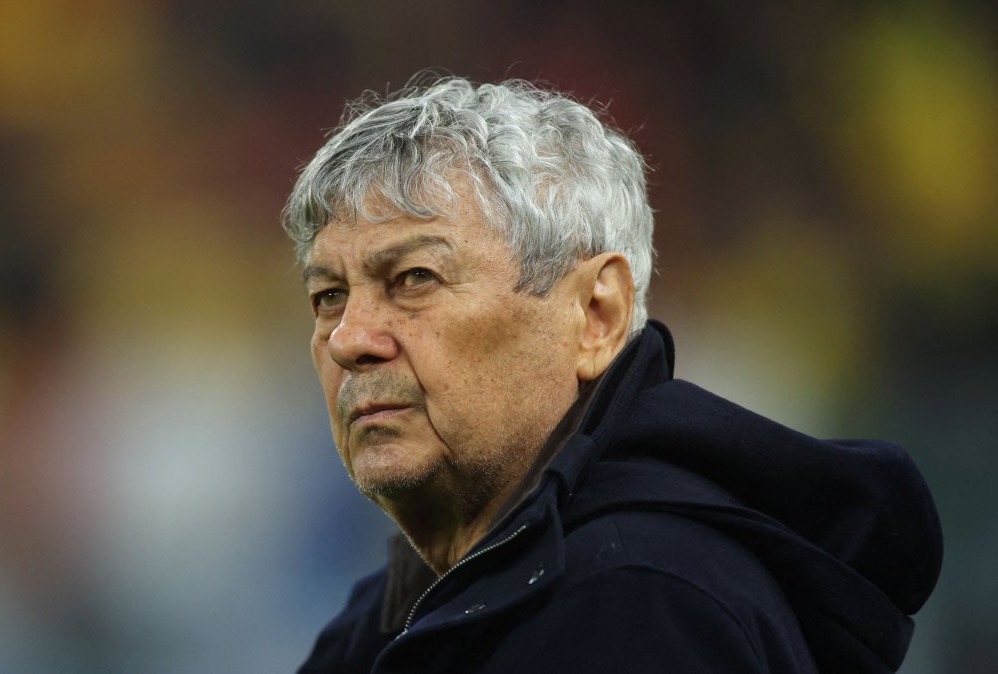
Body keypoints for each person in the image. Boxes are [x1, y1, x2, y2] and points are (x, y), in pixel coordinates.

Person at [282, 76, 941, 674]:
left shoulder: (642, 607)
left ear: (596, 315)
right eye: (328, 296)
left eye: (414, 279)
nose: (349, 340)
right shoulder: (396, 610)